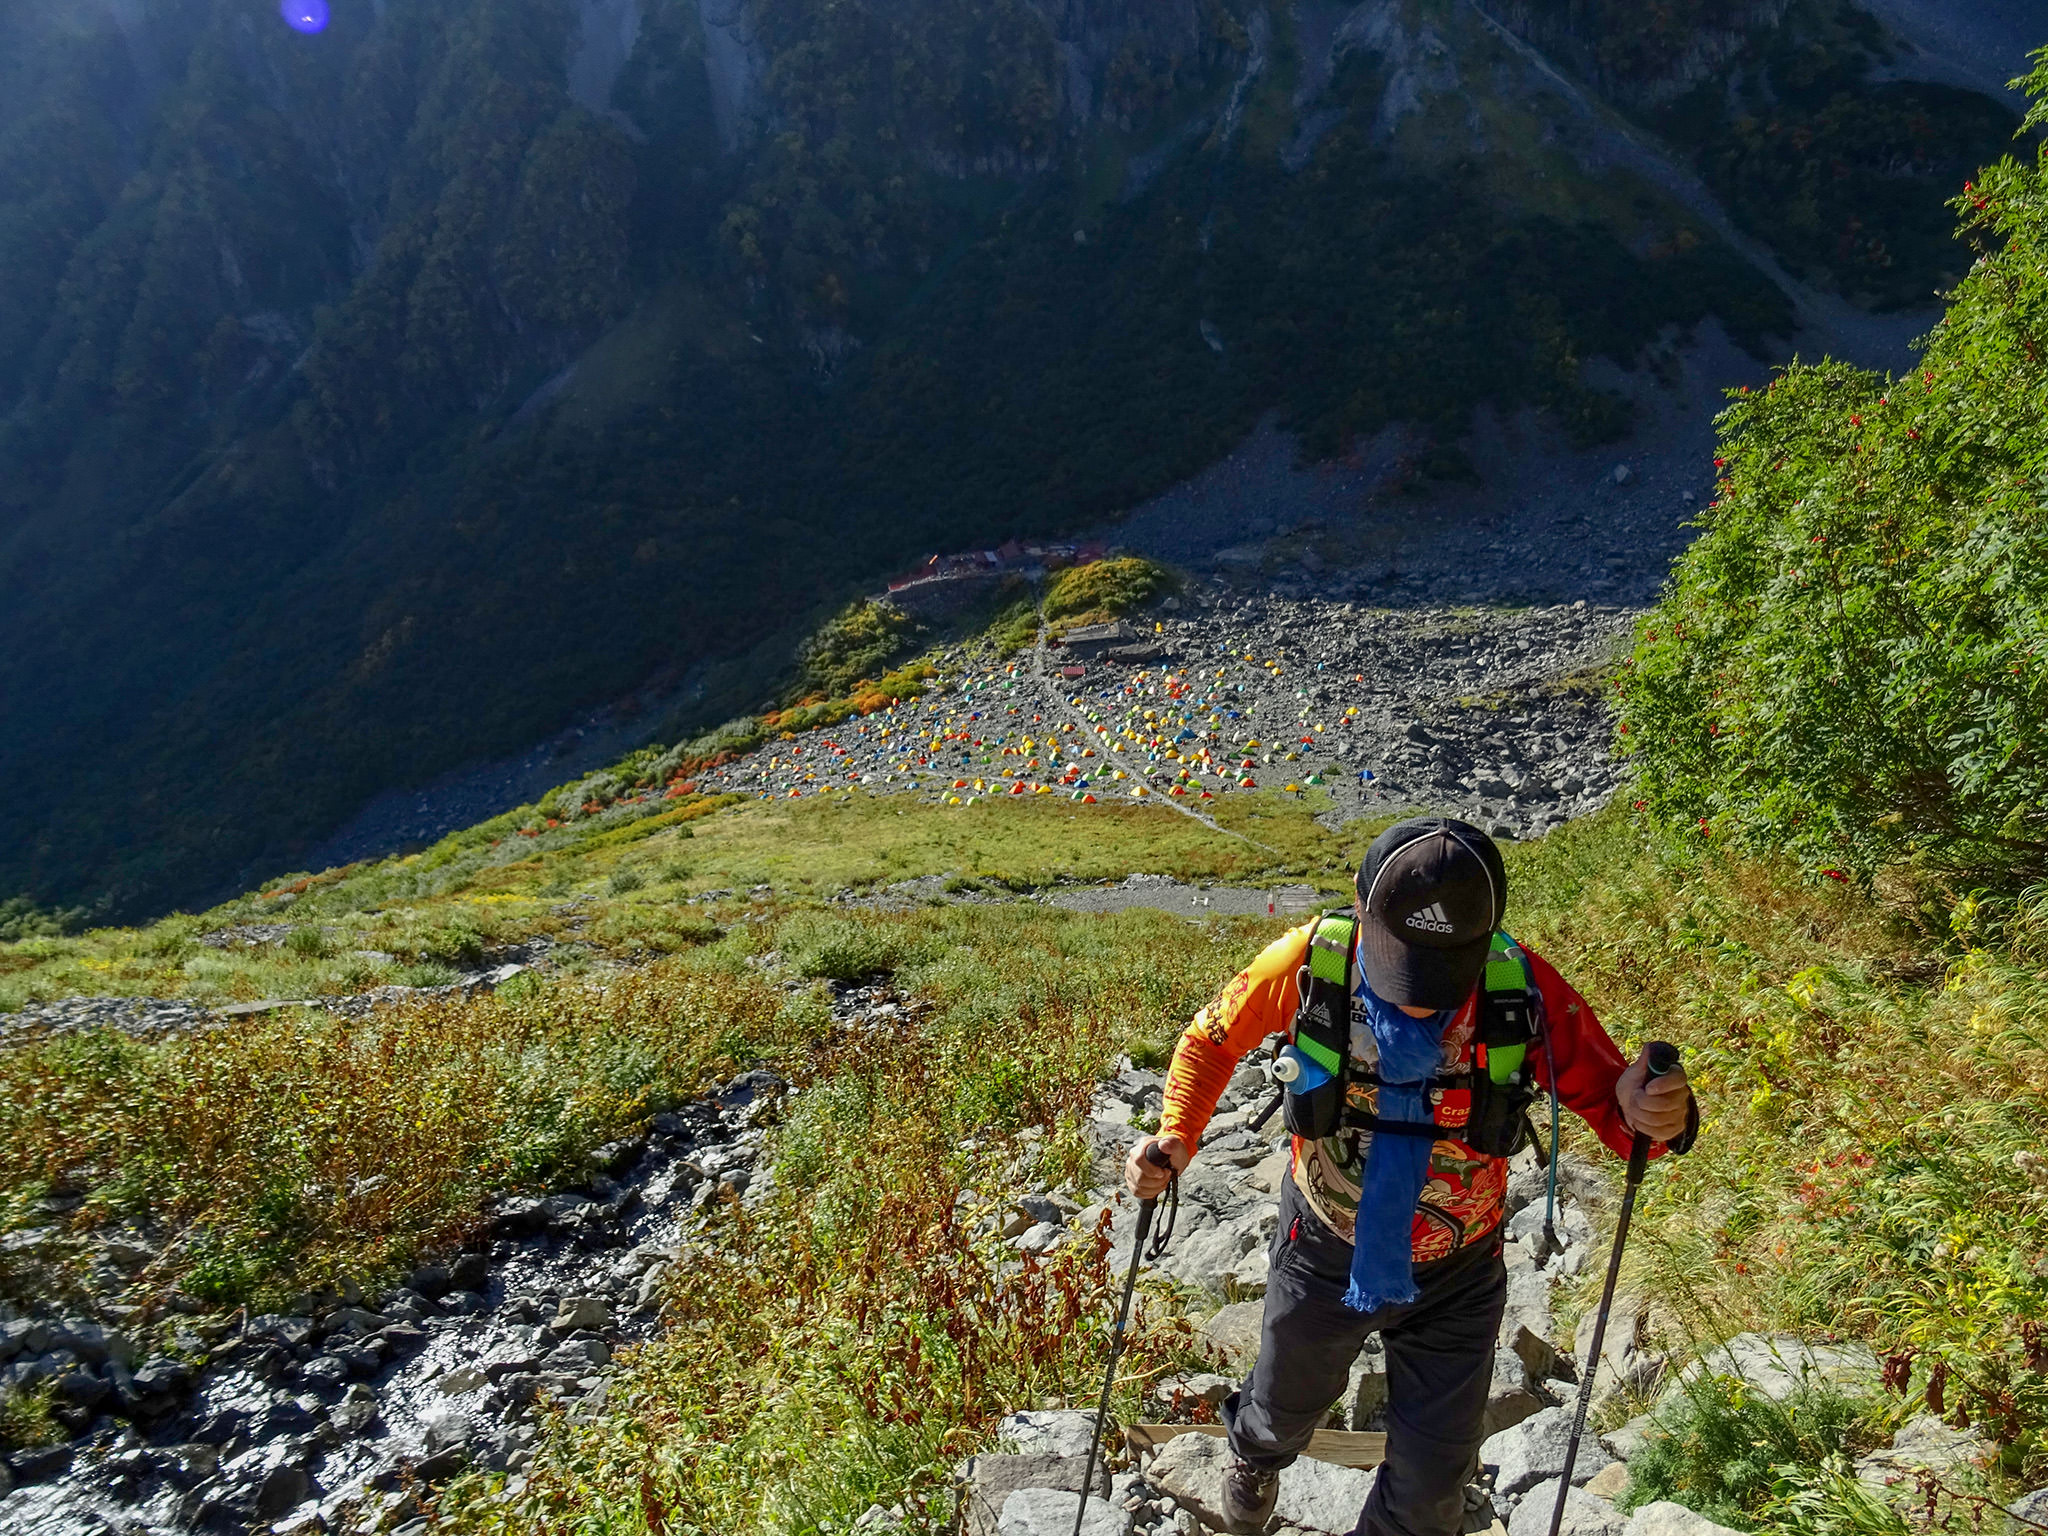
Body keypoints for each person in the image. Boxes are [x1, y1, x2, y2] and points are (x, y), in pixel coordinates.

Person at [1124, 817, 1695, 1536]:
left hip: (1462, 1274)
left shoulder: (1522, 986)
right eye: (1402, 965)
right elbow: (1211, 1040)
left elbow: (1622, 1111)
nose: (1421, 997)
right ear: (1360, 905)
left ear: (1487, 935)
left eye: (1445, 970)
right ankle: (1256, 1458)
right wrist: (1176, 1134)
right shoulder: (1311, 961)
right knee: (1280, 1413)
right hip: (1322, 1248)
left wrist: (1656, 1110)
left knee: (1431, 1492)